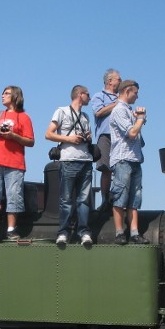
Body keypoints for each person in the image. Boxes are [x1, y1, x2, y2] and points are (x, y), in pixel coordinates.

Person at [0, 86, 35, 243]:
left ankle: (11, 230)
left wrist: (13, 135)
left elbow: (30, 141)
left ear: (16, 96)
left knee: (14, 197)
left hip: (15, 163)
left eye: (6, 93)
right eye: (2, 93)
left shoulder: (24, 117)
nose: (2, 96)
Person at [45, 85, 94, 245]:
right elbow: (49, 134)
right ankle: (63, 232)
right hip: (68, 161)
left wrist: (87, 137)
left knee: (84, 200)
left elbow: (88, 139)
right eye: (88, 94)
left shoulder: (86, 116)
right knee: (65, 200)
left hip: (86, 161)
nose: (90, 97)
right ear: (80, 95)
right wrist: (70, 139)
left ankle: (84, 232)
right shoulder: (62, 111)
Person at [109, 79, 149, 245]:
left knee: (135, 198)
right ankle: (119, 232)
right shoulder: (118, 110)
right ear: (127, 91)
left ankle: (134, 232)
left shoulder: (128, 111)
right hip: (122, 159)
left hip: (134, 158)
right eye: (135, 93)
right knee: (120, 195)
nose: (137, 96)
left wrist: (138, 119)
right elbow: (131, 133)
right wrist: (140, 119)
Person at [91, 68, 121, 210]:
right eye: (118, 79)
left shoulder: (122, 97)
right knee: (106, 169)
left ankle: (119, 200)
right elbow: (98, 112)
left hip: (121, 137)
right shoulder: (99, 96)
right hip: (106, 136)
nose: (120, 82)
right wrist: (117, 104)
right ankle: (105, 200)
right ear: (110, 81)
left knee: (121, 170)